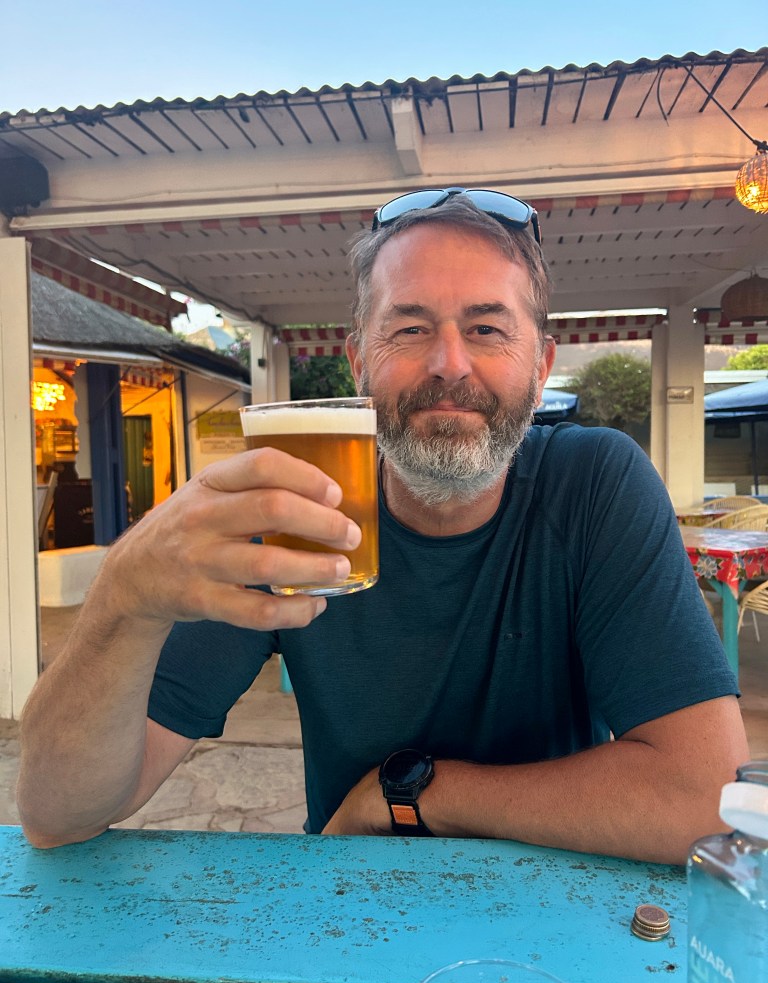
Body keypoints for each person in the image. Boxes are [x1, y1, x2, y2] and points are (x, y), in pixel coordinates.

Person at [17, 187, 748, 863]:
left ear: (541, 364)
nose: (449, 364)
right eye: (410, 328)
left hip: (558, 905)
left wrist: (406, 797)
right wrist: (121, 600)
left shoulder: (594, 485)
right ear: (359, 362)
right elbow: (58, 815)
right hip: (351, 907)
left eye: (487, 328)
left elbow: (704, 801)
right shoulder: (290, 512)